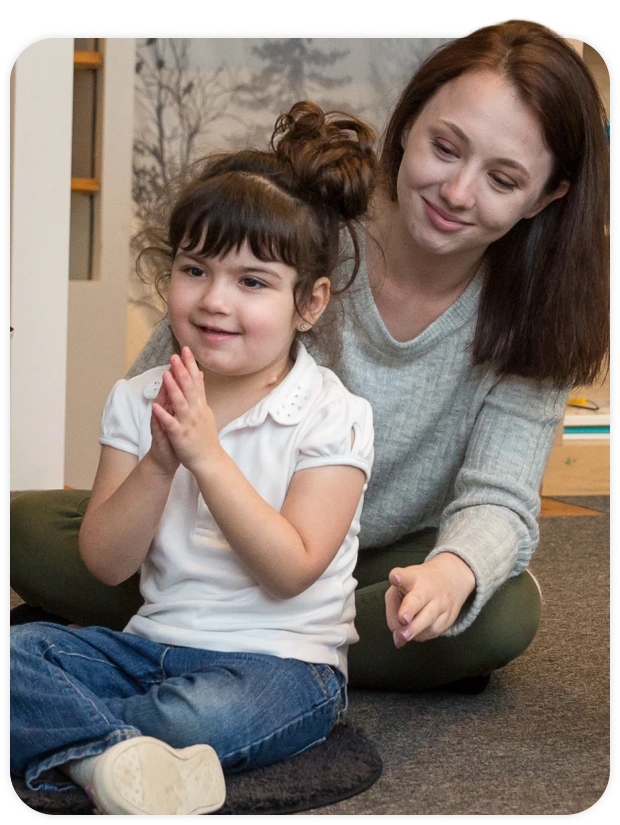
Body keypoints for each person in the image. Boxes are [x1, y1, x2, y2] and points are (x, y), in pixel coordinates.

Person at [11, 19, 609, 695]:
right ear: (409, 123)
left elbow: (498, 500)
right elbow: (173, 378)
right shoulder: (309, 229)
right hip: (222, 534)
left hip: (381, 567)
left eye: (503, 179)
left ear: (547, 195)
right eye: (446, 147)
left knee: (498, 612)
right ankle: (247, 641)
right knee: (26, 530)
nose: (458, 192)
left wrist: (452, 573)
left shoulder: (537, 313)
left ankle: (223, 641)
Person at [10, 101, 376, 815]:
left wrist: (206, 456)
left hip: (282, 666)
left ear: (310, 303)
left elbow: (292, 567)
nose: (214, 300)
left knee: (194, 720)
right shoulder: (141, 396)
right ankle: (107, 762)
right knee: (18, 656)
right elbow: (106, 562)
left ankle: (91, 746)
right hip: (151, 649)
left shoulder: (335, 413)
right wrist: (158, 461)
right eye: (195, 269)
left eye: (252, 282)